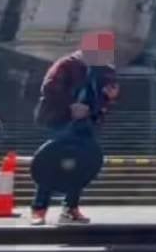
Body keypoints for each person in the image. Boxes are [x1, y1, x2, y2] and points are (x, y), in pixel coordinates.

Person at [31, 31, 120, 226]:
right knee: (51, 161)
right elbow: (49, 87)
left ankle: (70, 208)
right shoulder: (67, 64)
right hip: (61, 119)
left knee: (82, 165)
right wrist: (70, 105)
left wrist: (108, 98)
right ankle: (39, 209)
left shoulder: (105, 71)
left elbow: (106, 98)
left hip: (87, 122)